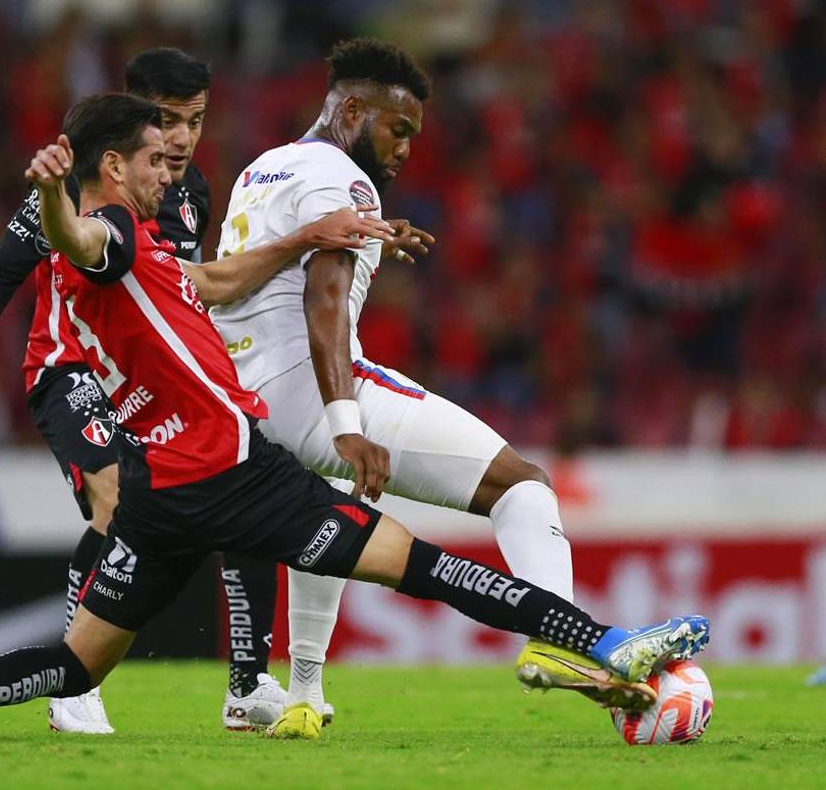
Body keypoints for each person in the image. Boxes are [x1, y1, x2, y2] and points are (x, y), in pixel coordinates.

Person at [0, 92, 709, 743]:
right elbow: (80, 238)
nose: (175, 173)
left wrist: (314, 239)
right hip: (241, 477)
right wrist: (53, 194)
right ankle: (609, 640)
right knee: (424, 565)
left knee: (76, 663)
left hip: (165, 495)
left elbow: (218, 282)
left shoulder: (150, 251)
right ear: (113, 167)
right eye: (159, 160)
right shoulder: (108, 235)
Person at [0, 49, 290, 732]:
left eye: (195, 121)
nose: (181, 139)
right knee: (114, 495)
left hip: (147, 376)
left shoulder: (191, 193)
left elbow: (179, 295)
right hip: (70, 366)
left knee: (241, 476)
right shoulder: (71, 189)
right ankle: (73, 684)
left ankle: (248, 683)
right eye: (167, 121)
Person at [209, 37, 598, 715]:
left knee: (329, 510)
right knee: (521, 486)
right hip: (311, 387)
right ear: (352, 110)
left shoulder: (263, 169)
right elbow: (323, 301)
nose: (406, 149)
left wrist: (372, 230)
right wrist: (345, 424)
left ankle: (303, 694)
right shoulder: (343, 181)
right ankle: (559, 636)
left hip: (245, 391)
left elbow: (276, 272)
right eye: (398, 129)